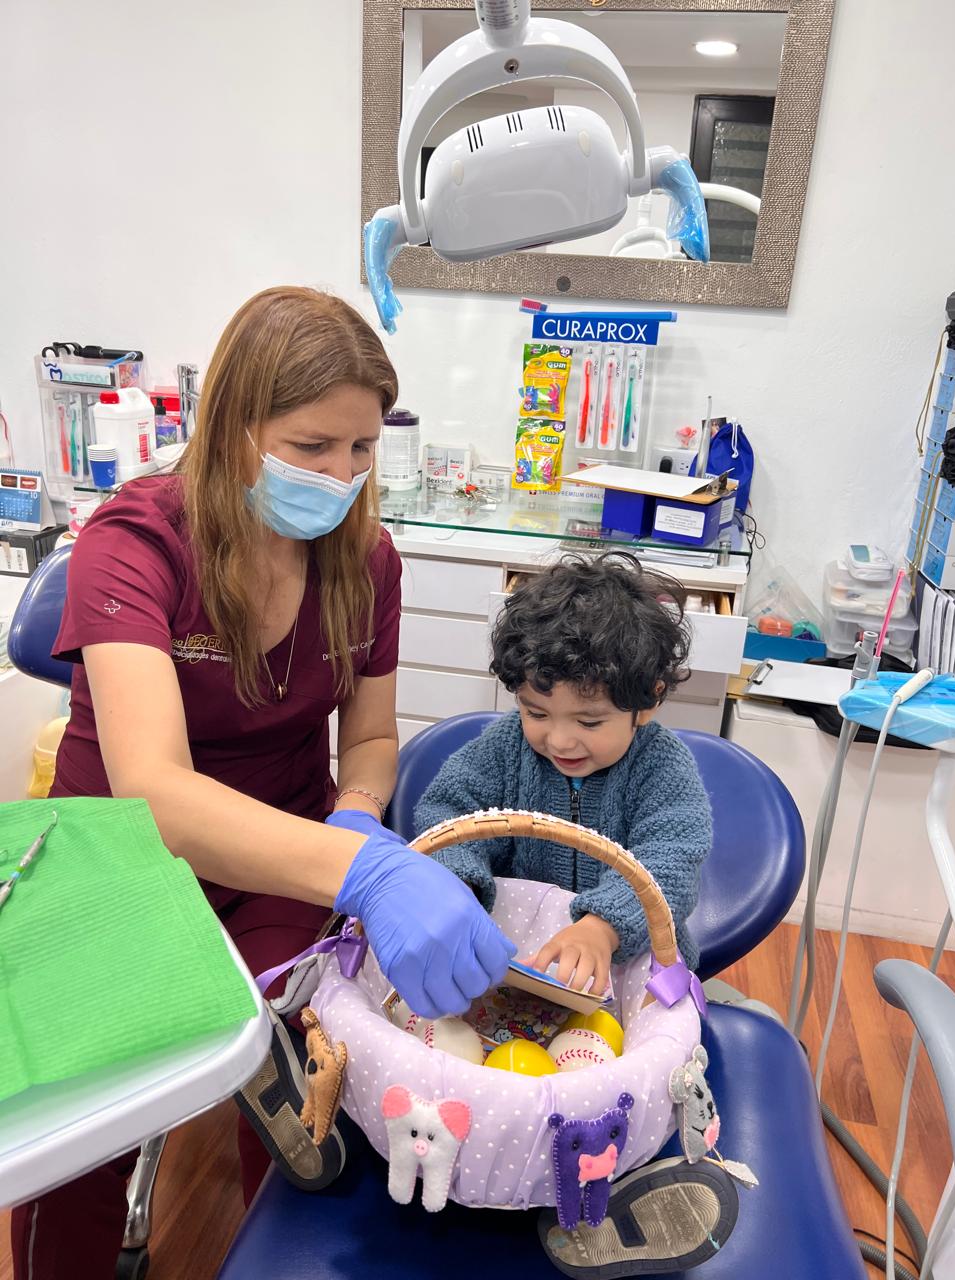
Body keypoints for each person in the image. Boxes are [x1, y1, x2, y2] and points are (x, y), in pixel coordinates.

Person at [11, 287, 512, 1280]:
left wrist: (357, 821)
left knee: (299, 1089)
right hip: (121, 859)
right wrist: (365, 873)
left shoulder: (365, 559)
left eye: (361, 448)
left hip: (283, 855)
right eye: (311, 446)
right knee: (81, 1123)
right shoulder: (135, 541)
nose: (341, 475)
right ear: (235, 425)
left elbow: (371, 735)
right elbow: (154, 792)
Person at [414, 552, 712, 997]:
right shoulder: (505, 746)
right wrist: (459, 886)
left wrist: (603, 927)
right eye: (536, 713)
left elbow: (671, 862)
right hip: (517, 960)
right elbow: (449, 816)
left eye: (589, 722)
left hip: (625, 967)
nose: (559, 741)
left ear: (649, 701)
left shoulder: (662, 766)